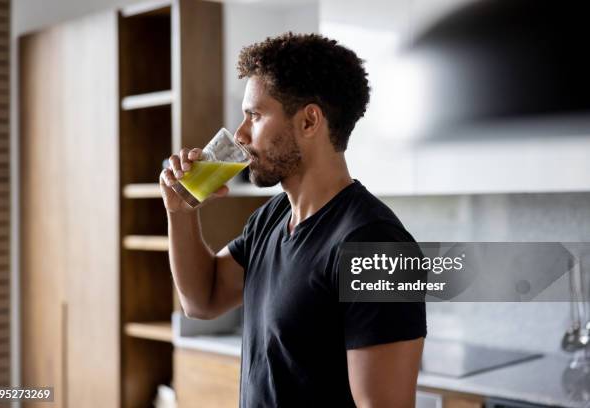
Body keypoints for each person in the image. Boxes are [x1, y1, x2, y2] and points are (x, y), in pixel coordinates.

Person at [160, 32, 426, 407]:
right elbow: (201, 300)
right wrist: (179, 212)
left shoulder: (376, 246)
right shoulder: (270, 218)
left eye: (254, 115)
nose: (240, 134)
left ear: (309, 121)